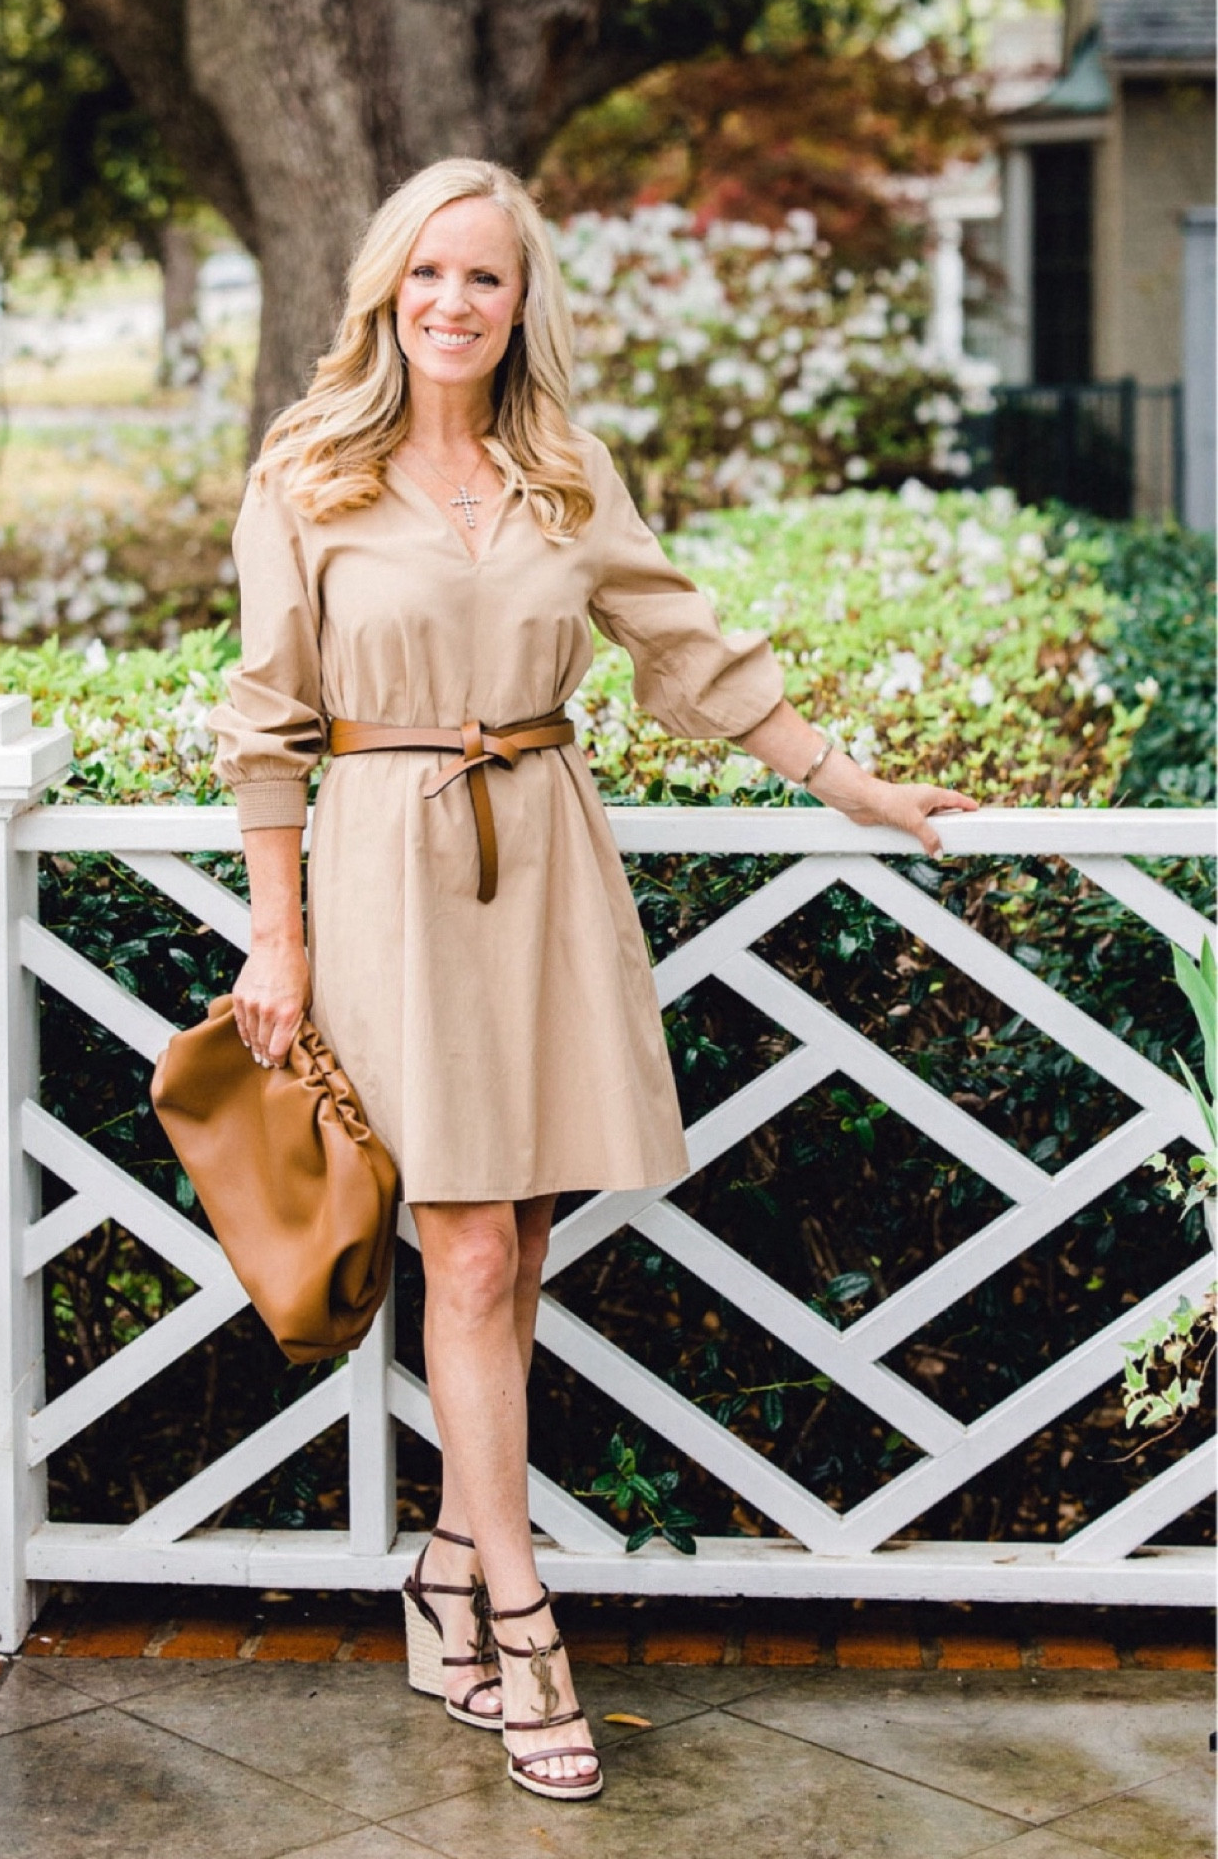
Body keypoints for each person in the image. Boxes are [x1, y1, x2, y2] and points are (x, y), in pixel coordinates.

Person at [210, 157, 975, 1802]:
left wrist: (844, 778)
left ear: (520, 301)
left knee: (518, 1239)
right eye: (425, 276)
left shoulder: (564, 469)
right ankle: (521, 1609)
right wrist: (277, 936)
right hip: (386, 871)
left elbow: (684, 643)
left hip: (546, 862)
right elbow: (266, 720)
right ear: (383, 293)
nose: (452, 305)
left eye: (483, 278)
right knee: (467, 1245)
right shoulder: (306, 474)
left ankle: (438, 1567)